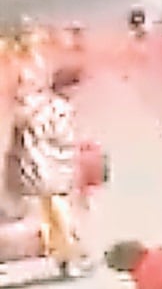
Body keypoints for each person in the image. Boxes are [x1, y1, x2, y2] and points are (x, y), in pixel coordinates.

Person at [15, 67, 90, 278]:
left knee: (48, 214)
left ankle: (58, 255)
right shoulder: (59, 109)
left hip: (37, 169)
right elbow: (63, 137)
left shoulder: (33, 107)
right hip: (56, 170)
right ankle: (70, 255)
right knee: (63, 214)